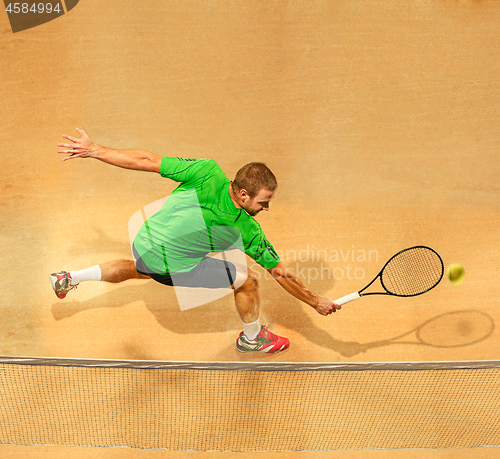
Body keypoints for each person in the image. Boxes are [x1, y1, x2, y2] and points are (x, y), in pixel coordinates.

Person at [51, 128, 340, 353]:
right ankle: (251, 339)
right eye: (263, 202)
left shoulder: (206, 171)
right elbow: (279, 273)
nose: (266, 209)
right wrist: (315, 302)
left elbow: (148, 160)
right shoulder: (247, 229)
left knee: (139, 267)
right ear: (243, 195)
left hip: (145, 239)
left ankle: (69, 277)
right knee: (247, 280)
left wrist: (95, 150)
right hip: (170, 265)